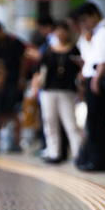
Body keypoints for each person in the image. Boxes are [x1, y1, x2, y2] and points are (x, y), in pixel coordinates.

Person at [72, 2, 105, 172]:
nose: (84, 25)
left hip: (98, 79)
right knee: (93, 121)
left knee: (98, 122)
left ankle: (99, 160)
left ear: (94, 15)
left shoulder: (104, 32)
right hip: (92, 78)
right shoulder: (93, 34)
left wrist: (96, 80)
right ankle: (93, 158)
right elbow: (88, 57)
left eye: (84, 20)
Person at [34, 21, 83, 164]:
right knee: (49, 121)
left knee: (70, 123)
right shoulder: (49, 50)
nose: (60, 33)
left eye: (62, 30)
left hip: (67, 90)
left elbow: (79, 70)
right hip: (48, 90)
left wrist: (80, 88)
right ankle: (53, 152)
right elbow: (40, 70)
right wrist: (35, 87)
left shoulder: (74, 50)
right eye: (57, 31)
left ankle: (78, 153)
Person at [0, 20, 27, 152]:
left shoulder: (14, 42)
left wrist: (21, 79)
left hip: (14, 82)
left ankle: (17, 141)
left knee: (14, 112)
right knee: (0, 111)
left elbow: (23, 61)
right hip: (0, 84)